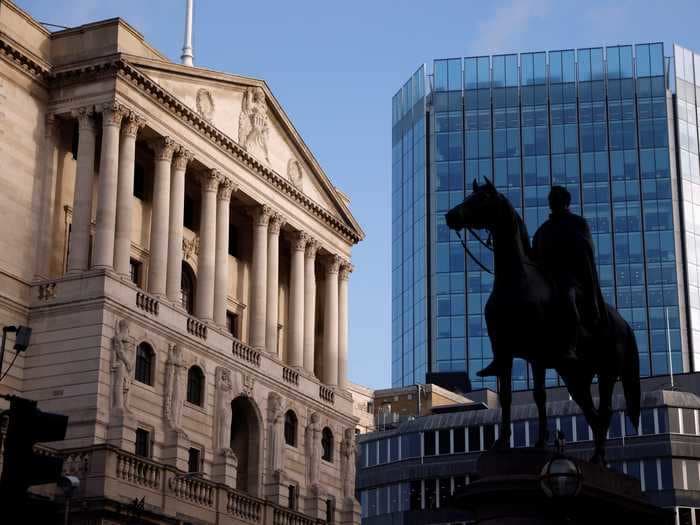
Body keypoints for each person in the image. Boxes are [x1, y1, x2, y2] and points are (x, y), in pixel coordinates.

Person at [478, 185, 606, 377]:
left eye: (555, 198)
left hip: (570, 280)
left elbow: (585, 253)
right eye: (551, 198)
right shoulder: (542, 231)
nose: (552, 201)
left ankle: (569, 346)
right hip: (547, 281)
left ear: (564, 202)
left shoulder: (577, 223)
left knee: (567, 297)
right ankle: (502, 355)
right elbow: (531, 259)